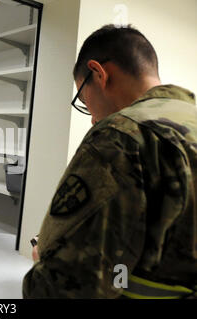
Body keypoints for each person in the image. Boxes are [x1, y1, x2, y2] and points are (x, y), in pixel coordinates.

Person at [23, 24, 196, 298]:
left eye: (82, 98)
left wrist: (46, 259)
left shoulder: (121, 134)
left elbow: (69, 284)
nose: (91, 117)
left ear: (99, 73)